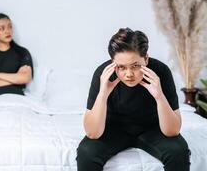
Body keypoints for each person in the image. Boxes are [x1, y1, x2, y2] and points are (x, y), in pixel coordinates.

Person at [76, 28, 190, 171]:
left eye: (136, 66)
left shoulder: (161, 72)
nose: (129, 74)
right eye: (121, 67)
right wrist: (103, 93)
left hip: (153, 129)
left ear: (146, 59)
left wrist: (159, 96)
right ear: (113, 63)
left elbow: (172, 131)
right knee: (86, 152)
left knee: (179, 151)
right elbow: (92, 133)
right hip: (113, 129)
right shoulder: (103, 74)